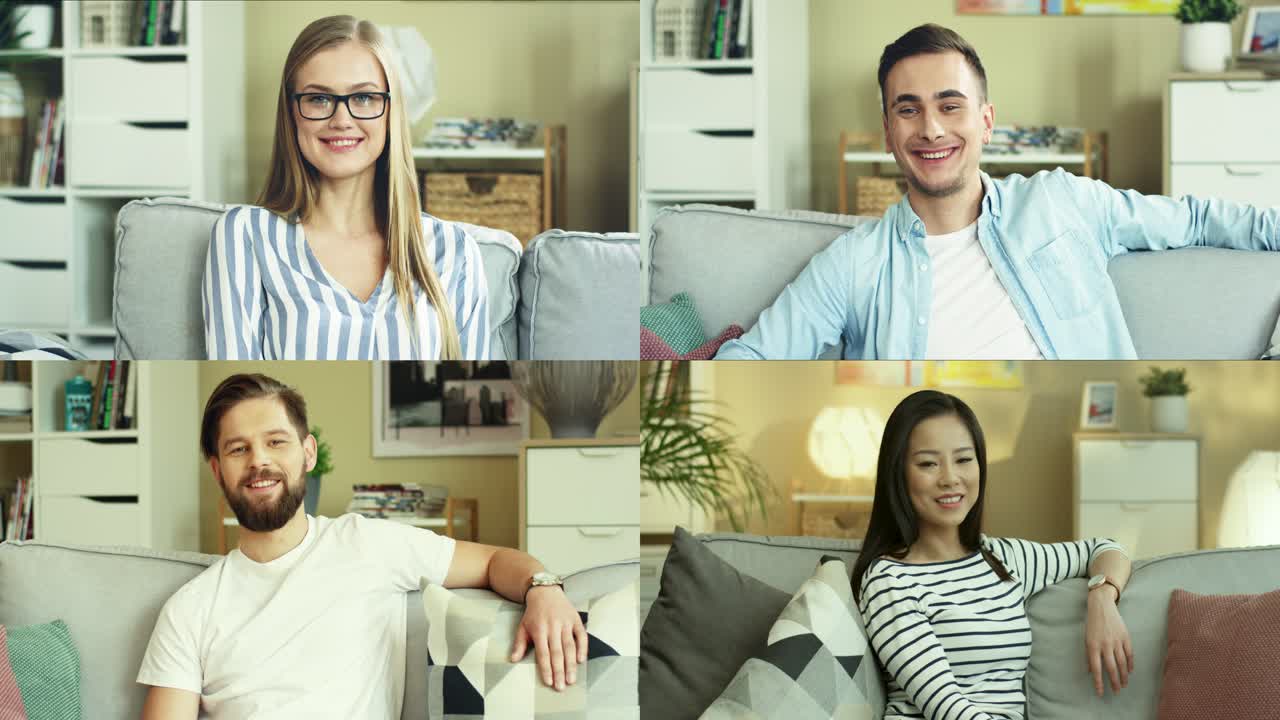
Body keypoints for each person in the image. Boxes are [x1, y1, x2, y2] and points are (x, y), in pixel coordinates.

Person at [715, 23, 1280, 361]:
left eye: (950, 105)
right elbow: (755, 356)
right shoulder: (853, 263)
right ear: (888, 133)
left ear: (986, 122)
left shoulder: (1063, 201)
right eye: (908, 110)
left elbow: (1199, 220)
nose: (931, 128)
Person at [138, 374, 578, 718]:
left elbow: (496, 560)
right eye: (238, 449)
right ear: (217, 470)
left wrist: (543, 588)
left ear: (307, 453)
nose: (259, 461)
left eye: (276, 442)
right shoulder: (189, 609)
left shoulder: (367, 544)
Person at [203, 16, 489, 360]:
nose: (341, 119)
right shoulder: (244, 236)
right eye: (318, 99)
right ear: (291, 111)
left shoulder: (456, 252)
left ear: (390, 111)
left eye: (365, 97)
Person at [851, 390, 1133, 720]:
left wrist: (1101, 598)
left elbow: (1106, 549)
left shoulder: (1002, 558)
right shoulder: (888, 580)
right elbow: (946, 708)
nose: (950, 478)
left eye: (963, 459)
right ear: (898, 473)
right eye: (928, 463)